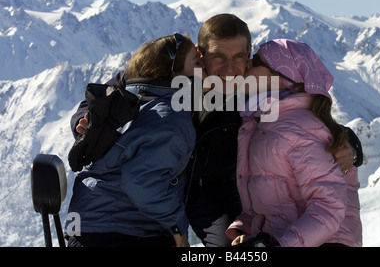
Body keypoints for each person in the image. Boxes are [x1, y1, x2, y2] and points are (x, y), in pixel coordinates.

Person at [71, 14, 363, 247]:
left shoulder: (252, 91)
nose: (230, 67)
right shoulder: (169, 73)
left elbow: (305, 116)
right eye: (218, 56)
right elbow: (109, 94)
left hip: (219, 193)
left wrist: (347, 142)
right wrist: (84, 121)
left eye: (239, 57)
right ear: (200, 54)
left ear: (249, 57)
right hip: (151, 197)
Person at [65, 33, 204, 247]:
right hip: (125, 231)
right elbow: (141, 183)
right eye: (196, 63)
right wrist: (178, 226)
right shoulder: (171, 117)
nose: (203, 68)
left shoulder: (127, 101)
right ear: (174, 73)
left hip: (86, 223)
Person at [226, 39, 363, 247]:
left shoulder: (299, 129)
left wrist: (277, 245)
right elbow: (275, 195)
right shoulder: (262, 121)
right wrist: (250, 230)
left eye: (256, 61)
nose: (247, 64)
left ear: (280, 79)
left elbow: (327, 207)